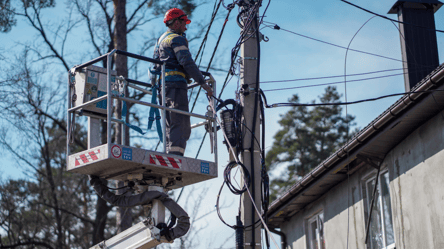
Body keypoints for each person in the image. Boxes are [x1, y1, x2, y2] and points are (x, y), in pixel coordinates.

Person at [152, 8, 213, 156]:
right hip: (176, 86)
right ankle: (176, 157)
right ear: (176, 22)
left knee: (169, 122)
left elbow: (154, 66)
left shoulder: (160, 40)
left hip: (163, 87)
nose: (186, 26)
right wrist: (202, 83)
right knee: (181, 122)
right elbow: (186, 61)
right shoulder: (176, 38)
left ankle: (169, 153)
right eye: (184, 22)